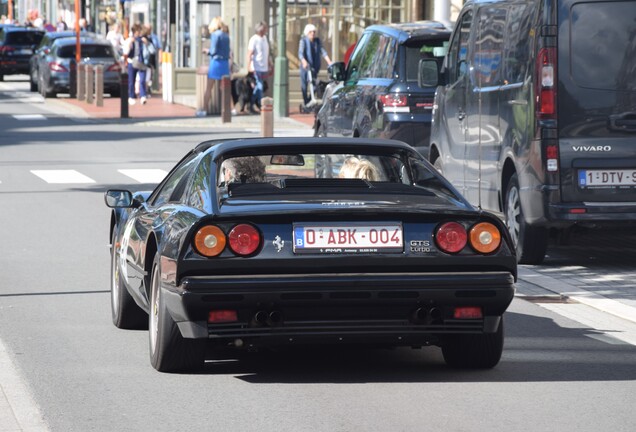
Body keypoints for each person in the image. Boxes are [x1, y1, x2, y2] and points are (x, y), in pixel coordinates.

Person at [197, 17, 230, 117]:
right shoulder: (226, 35)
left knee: (209, 88)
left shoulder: (215, 35)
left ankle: (204, 109)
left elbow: (214, 50)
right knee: (224, 88)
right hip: (224, 63)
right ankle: (228, 109)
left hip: (216, 62)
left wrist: (207, 51)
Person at [298, 23, 332, 108]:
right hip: (305, 68)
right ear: (307, 33)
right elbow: (300, 53)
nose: (312, 33)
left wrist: (329, 62)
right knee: (304, 87)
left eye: (314, 32)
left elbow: (323, 52)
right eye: (310, 32)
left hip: (314, 67)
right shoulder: (303, 41)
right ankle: (306, 103)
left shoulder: (317, 41)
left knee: (316, 85)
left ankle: (309, 100)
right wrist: (304, 61)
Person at [123, 23, 155, 105]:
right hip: (132, 62)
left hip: (142, 62)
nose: (138, 33)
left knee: (142, 80)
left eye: (139, 31)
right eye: (137, 31)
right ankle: (131, 96)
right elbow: (125, 52)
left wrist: (147, 43)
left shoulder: (144, 40)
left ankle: (143, 96)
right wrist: (130, 43)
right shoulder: (130, 40)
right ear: (134, 32)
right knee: (131, 80)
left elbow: (152, 51)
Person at [247, 21, 273, 113]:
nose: (265, 30)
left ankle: (253, 103)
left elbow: (267, 54)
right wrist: (249, 66)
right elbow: (249, 54)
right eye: (264, 29)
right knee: (260, 86)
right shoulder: (254, 39)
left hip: (264, 67)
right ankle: (259, 105)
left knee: (260, 87)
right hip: (256, 67)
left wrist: (270, 65)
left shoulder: (265, 39)